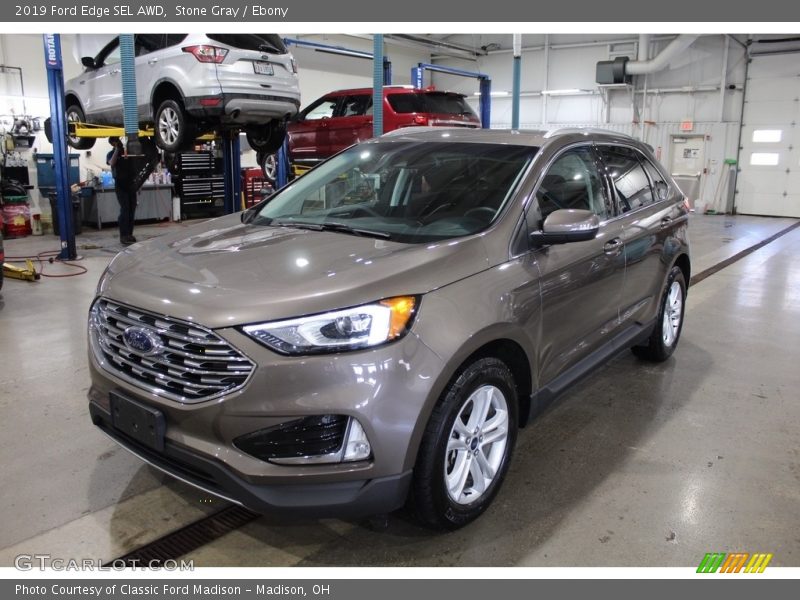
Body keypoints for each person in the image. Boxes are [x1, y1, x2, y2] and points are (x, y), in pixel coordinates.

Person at [106, 137, 138, 245]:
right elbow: (111, 163)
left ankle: (129, 234)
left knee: (131, 209)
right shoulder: (111, 154)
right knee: (125, 209)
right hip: (120, 185)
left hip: (131, 185)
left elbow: (134, 168)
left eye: (118, 141)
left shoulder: (127, 153)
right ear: (112, 144)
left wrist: (139, 186)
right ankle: (123, 235)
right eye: (115, 142)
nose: (118, 142)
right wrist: (116, 150)